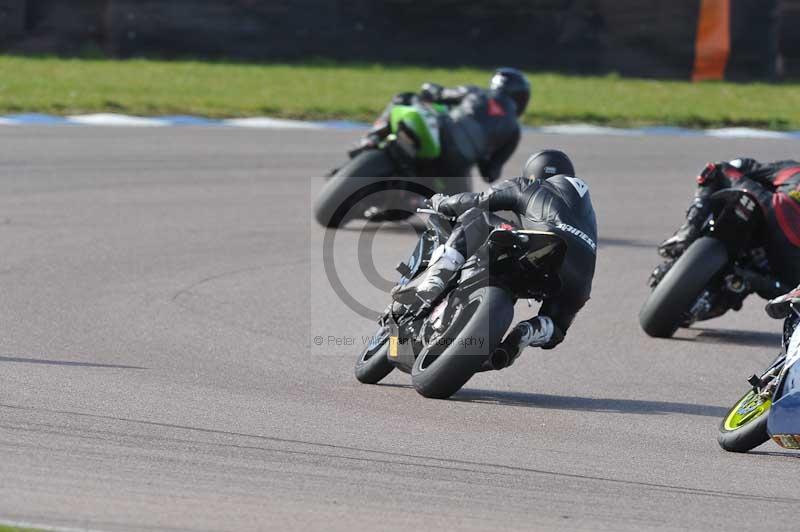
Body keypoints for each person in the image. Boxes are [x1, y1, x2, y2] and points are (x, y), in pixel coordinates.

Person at [392, 150, 597, 363]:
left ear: (533, 174)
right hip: (580, 279)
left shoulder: (530, 186)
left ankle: (436, 277)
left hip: (544, 242)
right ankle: (530, 331)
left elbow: (480, 200)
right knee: (556, 325)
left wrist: (440, 203)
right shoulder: (585, 213)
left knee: (476, 215)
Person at [352, 67, 530, 184]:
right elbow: (490, 173)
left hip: (441, 136)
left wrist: (431, 88)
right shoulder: (514, 130)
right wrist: (481, 154)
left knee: (403, 98)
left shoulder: (476, 92)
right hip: (457, 165)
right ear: (522, 98)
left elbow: (439, 94)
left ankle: (371, 138)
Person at [660, 159, 800, 299]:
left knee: (716, 169)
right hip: (789, 247)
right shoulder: (793, 171)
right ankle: (747, 281)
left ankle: (690, 229)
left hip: (772, 209)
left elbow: (740, 165)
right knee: (791, 291)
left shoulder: (793, 170)